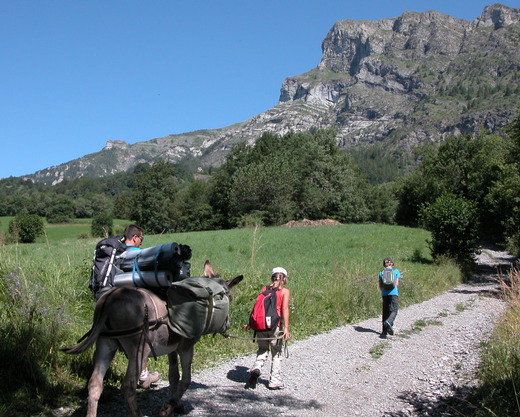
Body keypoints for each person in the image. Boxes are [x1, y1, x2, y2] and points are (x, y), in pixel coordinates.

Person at [120, 225, 162, 389]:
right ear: (135, 237)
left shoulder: (116, 251)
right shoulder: (135, 253)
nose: (141, 242)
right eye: (141, 239)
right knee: (144, 333)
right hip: (131, 298)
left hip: (109, 293)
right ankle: (143, 376)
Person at [245, 267, 291, 390]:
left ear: (272, 278)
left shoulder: (264, 289)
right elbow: (285, 309)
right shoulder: (284, 291)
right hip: (275, 326)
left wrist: (251, 324)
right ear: (284, 279)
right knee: (276, 353)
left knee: (262, 350)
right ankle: (274, 381)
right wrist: (286, 328)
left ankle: (257, 368)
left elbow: (257, 307)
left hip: (260, 327)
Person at [378, 257, 402, 338]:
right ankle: (389, 321)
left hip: (384, 294)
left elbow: (380, 286)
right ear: (391, 263)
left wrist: (384, 291)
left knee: (385, 311)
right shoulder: (396, 271)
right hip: (393, 293)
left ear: (384, 265)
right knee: (394, 310)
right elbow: (397, 284)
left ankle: (384, 331)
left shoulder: (381, 273)